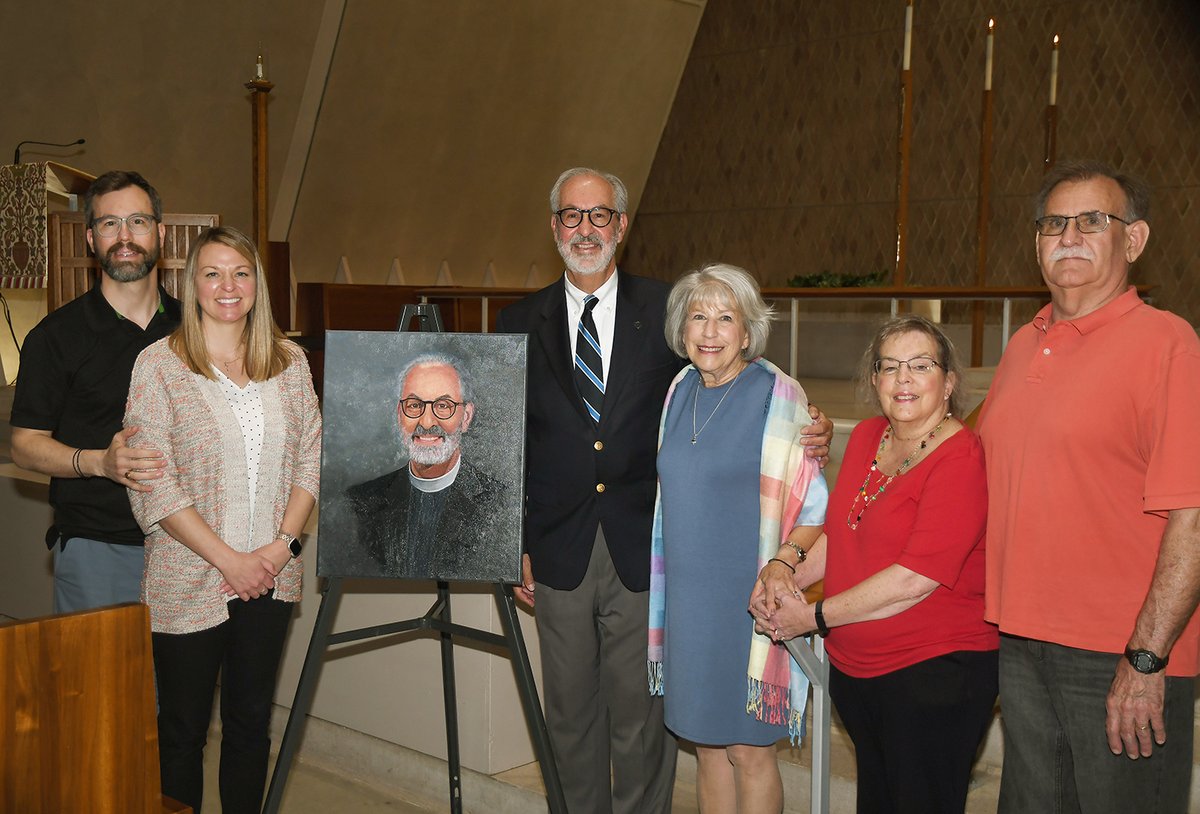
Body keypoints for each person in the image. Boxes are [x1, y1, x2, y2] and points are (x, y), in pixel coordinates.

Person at [496, 167, 832, 814]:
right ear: (554, 227)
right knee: (567, 717)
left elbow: (742, 375)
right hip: (557, 549)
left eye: (600, 216)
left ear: (622, 226)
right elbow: (507, 442)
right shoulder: (518, 320)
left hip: (645, 558)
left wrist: (810, 426)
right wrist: (513, 541)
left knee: (643, 725)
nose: (585, 229)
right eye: (572, 215)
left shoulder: (667, 310)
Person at [977, 160, 1200, 812]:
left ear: (1133, 241)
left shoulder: (1169, 345)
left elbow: (1192, 516)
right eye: (1054, 223)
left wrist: (1147, 660)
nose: (1068, 236)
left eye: (1091, 221)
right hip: (1019, 644)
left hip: (1118, 654)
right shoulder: (1024, 344)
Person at [754, 315, 998, 813]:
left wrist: (814, 617)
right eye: (889, 367)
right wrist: (782, 575)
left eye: (920, 365)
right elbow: (843, 534)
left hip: (933, 676)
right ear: (874, 381)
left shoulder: (960, 458)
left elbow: (915, 579)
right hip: (861, 673)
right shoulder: (868, 437)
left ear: (949, 382)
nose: (903, 379)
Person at [125, 225, 321, 813]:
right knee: (181, 732)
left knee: (249, 726)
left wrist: (281, 547)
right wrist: (230, 561)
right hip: (187, 581)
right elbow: (152, 483)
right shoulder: (158, 365)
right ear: (192, 285)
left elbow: (312, 456)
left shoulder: (290, 362)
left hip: (272, 577)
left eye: (240, 272)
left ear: (257, 284)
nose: (227, 286)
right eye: (212, 273)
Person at [648, 263, 828, 813]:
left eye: (726, 318)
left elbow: (816, 506)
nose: (709, 331)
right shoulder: (678, 391)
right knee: (705, 748)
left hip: (747, 605)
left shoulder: (779, 396)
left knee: (750, 752)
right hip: (689, 607)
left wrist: (784, 562)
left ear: (747, 333)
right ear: (682, 331)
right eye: (698, 316)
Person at [10, 170, 178, 613]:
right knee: (100, 684)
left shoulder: (194, 330)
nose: (125, 236)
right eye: (109, 224)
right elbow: (26, 446)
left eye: (138, 221)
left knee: (183, 686)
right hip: (100, 547)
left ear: (161, 232)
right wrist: (99, 463)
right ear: (91, 238)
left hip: (192, 550)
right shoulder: (55, 337)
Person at [346, 352, 508, 580]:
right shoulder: (362, 502)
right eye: (414, 405)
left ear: (466, 417)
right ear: (399, 414)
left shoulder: (499, 504)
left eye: (443, 405)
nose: (427, 422)